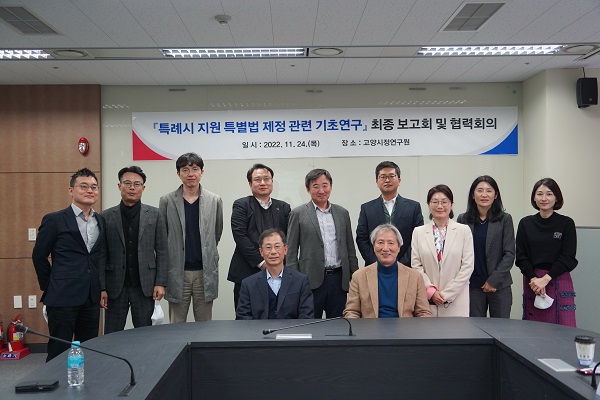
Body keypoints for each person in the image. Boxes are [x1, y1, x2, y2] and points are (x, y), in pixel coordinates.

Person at [32, 168, 106, 361]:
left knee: (89, 348)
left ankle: (86, 379)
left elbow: (98, 257)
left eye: (94, 187)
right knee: (59, 350)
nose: (90, 190)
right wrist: (49, 286)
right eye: (84, 186)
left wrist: (100, 287)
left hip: (91, 297)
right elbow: (39, 256)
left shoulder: (101, 221)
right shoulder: (54, 220)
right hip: (62, 296)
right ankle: (55, 380)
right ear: (71, 190)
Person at [99, 166, 168, 333]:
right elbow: (101, 254)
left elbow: (162, 251)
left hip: (145, 286)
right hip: (115, 286)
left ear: (143, 188)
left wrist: (160, 282)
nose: (132, 187)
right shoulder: (105, 216)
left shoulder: (155, 214)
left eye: (137, 184)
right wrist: (101, 287)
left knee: (145, 335)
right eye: (127, 183)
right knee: (112, 335)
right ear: (119, 186)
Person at [159, 153, 223, 323]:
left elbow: (216, 233)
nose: (190, 174)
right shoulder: (167, 201)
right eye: (185, 170)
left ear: (202, 172)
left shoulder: (214, 200)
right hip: (177, 272)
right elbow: (163, 237)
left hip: (205, 272)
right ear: (178, 173)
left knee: (204, 326)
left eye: (195, 169)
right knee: (176, 325)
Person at [287, 169, 359, 318]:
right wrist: (294, 281)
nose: (321, 190)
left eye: (325, 185)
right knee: (310, 324)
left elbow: (350, 248)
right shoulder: (298, 213)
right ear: (308, 189)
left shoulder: (342, 213)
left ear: (331, 187)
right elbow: (291, 252)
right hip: (309, 280)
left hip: (339, 280)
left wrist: (355, 276)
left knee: (338, 325)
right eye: (315, 186)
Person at [227, 164, 291, 310]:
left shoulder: (284, 207)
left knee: (278, 315)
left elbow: (289, 237)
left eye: (266, 179)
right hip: (247, 271)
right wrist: (262, 263)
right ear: (250, 184)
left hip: (278, 273)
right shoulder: (241, 205)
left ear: (272, 182)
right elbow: (240, 236)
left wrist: (276, 261)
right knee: (246, 317)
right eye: (257, 179)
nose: (263, 183)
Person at [515, 178, 578, 326]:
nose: (544, 198)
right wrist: (534, 280)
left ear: (556, 197)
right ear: (534, 198)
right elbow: (521, 257)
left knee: (564, 330)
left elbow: (568, 257)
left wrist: (546, 279)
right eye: (539, 194)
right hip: (533, 281)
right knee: (534, 329)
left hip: (558, 278)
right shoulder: (525, 223)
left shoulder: (566, 223)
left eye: (549, 194)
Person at [457, 176, 515, 318]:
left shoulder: (505, 219)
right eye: (480, 190)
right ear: (473, 195)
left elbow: (509, 254)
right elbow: (458, 253)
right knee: (474, 328)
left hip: (499, 285)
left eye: (489, 191)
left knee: (501, 328)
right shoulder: (463, 219)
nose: (484, 194)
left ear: (496, 195)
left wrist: (493, 281)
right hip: (473, 286)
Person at [411, 185, 474, 317]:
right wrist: (431, 292)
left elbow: (467, 267)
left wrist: (447, 294)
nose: (440, 206)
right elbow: (416, 266)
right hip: (428, 302)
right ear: (429, 205)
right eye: (435, 202)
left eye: (444, 202)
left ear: (451, 204)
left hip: (456, 301)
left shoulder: (463, 231)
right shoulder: (418, 232)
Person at [344, 224, 431, 318]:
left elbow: (423, 312)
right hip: (371, 327)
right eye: (380, 242)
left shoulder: (415, 277)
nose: (385, 248)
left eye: (391, 243)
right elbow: (352, 311)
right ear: (374, 247)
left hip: (405, 326)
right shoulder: (359, 277)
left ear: (399, 247)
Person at [356, 161, 423, 266]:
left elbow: (418, 239)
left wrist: (401, 264)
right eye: (383, 177)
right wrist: (377, 262)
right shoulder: (367, 208)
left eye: (391, 176)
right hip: (375, 267)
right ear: (377, 182)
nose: (387, 180)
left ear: (399, 180)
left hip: (406, 266)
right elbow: (361, 239)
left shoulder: (413, 207)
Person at [236, 229, 314, 320]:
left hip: (292, 329)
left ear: (285, 250)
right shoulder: (248, 284)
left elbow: (306, 316)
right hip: (258, 329)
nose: (273, 252)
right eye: (268, 247)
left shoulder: (301, 281)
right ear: (261, 252)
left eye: (277, 246)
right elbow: (243, 318)